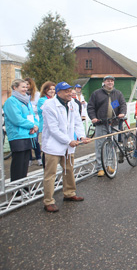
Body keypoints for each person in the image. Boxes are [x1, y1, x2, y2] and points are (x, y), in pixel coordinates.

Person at [41, 82, 91, 212]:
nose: (70, 93)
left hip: (68, 146)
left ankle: (69, 193)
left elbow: (77, 123)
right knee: (50, 174)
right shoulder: (49, 105)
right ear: (58, 93)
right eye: (66, 91)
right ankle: (48, 201)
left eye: (70, 90)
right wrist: (69, 140)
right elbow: (53, 129)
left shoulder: (73, 104)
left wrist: (81, 137)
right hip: (53, 145)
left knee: (69, 169)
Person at [87, 75, 127, 177]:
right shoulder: (97, 93)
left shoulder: (117, 94)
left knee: (112, 144)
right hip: (101, 123)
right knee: (100, 145)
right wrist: (93, 117)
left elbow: (123, 104)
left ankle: (109, 165)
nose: (110, 83)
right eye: (108, 81)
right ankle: (100, 167)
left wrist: (122, 113)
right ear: (104, 82)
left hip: (114, 123)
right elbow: (91, 107)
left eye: (112, 81)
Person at [3, 79, 39, 181]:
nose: (25, 89)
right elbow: (16, 119)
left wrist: (35, 126)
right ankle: (17, 188)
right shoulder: (11, 101)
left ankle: (23, 187)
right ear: (15, 88)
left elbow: (33, 116)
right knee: (18, 164)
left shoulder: (26, 101)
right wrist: (32, 126)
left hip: (28, 134)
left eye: (26, 86)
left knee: (24, 163)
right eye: (22, 87)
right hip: (17, 135)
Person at [25, 78, 42, 166]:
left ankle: (39, 157)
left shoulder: (37, 94)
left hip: (35, 120)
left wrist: (32, 108)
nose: (26, 86)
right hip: (27, 121)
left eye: (28, 84)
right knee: (28, 141)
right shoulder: (24, 95)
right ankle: (29, 159)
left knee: (35, 140)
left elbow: (37, 108)